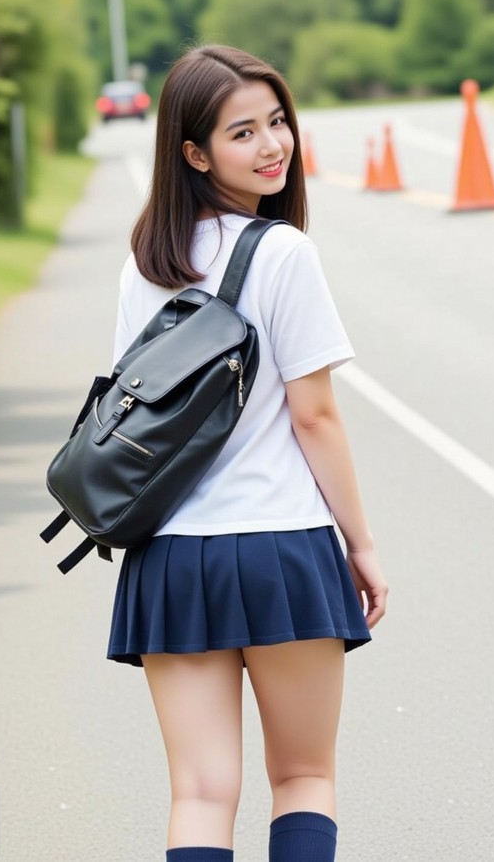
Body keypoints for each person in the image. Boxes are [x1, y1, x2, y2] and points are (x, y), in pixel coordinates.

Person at [107, 44, 388, 862]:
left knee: (198, 792)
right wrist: (361, 545)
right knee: (303, 778)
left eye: (278, 122)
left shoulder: (144, 264)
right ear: (193, 153)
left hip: (170, 558)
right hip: (281, 547)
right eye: (243, 132)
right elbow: (316, 417)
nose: (273, 145)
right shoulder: (284, 253)